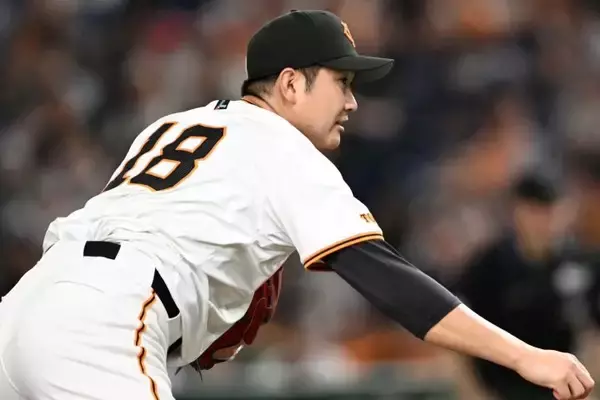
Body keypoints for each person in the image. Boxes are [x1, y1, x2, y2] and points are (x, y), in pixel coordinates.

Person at [0, 9, 594, 400]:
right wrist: (524, 355)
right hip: (107, 322)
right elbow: (388, 279)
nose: (352, 103)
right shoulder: (282, 146)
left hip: (28, 305)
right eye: (342, 83)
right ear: (290, 84)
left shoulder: (171, 125)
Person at [453, 173, 578, 399]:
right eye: (534, 210)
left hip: (565, 391)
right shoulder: (488, 267)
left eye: (549, 210)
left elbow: (591, 334)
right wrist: (473, 393)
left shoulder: (579, 264)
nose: (543, 220)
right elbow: (457, 331)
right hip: (502, 391)